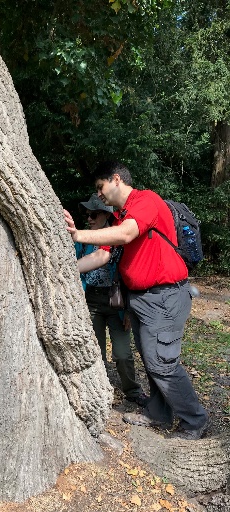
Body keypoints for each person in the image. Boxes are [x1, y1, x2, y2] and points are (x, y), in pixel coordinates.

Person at [65, 161, 209, 440]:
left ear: (116, 179)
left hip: (164, 297)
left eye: (100, 187)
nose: (100, 195)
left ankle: (195, 421)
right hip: (141, 300)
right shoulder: (121, 216)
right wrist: (66, 268)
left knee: (162, 363)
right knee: (151, 358)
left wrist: (78, 235)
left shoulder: (146, 201)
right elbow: (102, 255)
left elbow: (128, 234)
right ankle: (158, 413)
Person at [75, 193, 147, 406]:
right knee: (94, 351)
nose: (89, 219)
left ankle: (132, 391)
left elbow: (128, 275)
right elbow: (76, 270)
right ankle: (98, 390)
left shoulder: (118, 240)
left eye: (94, 215)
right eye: (87, 215)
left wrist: (129, 310)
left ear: (106, 215)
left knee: (123, 353)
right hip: (91, 301)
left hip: (116, 303)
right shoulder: (82, 240)